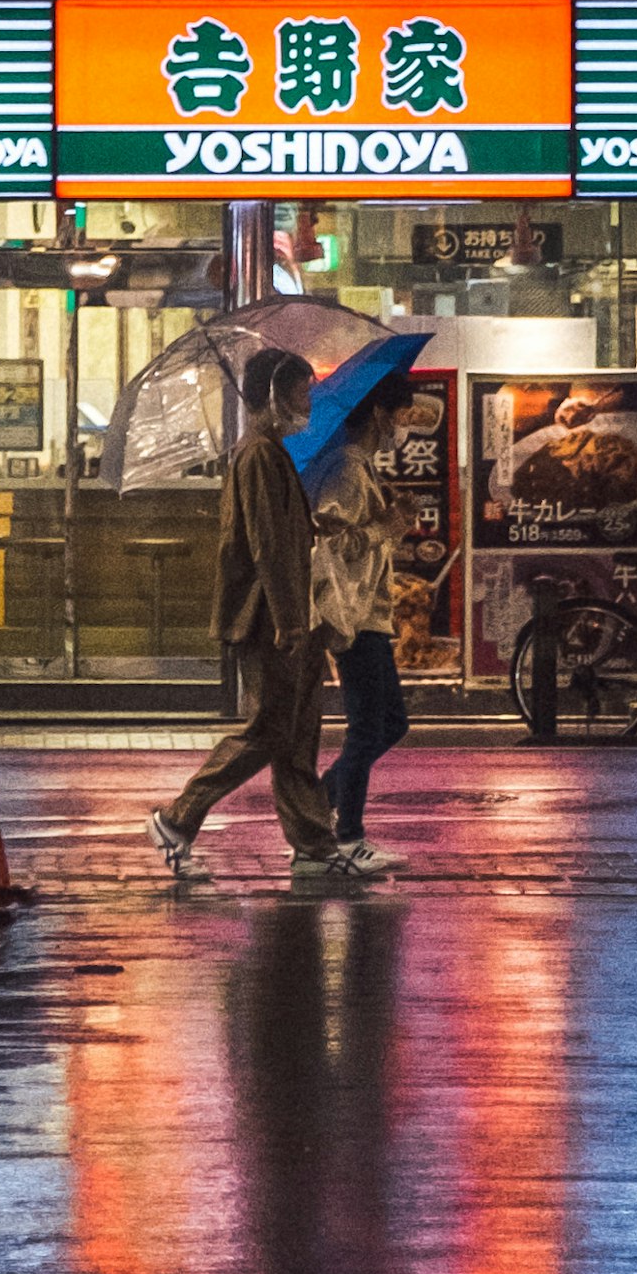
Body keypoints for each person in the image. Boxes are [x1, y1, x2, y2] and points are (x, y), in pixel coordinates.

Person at [150, 347, 347, 887]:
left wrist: (314, 527)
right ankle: (177, 817)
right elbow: (266, 545)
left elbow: (282, 533)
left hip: (285, 614)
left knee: (300, 729)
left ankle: (313, 842)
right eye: (300, 391)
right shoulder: (258, 455)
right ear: (272, 395)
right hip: (267, 619)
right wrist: (290, 621)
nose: (307, 401)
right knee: (269, 728)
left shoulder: (272, 451)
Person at [309, 447, 407, 873]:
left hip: (373, 614)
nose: (402, 425)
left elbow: (373, 542)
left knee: (391, 723)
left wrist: (395, 519)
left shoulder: (363, 467)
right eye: (400, 412)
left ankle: (318, 803)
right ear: (382, 412)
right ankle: (348, 837)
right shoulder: (347, 469)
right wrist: (382, 527)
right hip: (354, 616)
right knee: (367, 729)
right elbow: (333, 543)